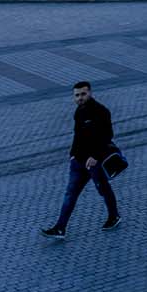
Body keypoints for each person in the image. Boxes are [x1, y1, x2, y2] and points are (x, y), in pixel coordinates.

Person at [40, 81, 121, 237]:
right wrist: (72, 154)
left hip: (94, 163)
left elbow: (107, 136)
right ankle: (60, 228)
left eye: (83, 94)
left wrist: (95, 157)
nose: (80, 98)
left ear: (90, 93)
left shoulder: (101, 111)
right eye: (77, 95)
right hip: (78, 162)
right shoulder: (79, 112)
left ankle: (114, 216)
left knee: (103, 189)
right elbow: (77, 135)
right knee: (70, 193)